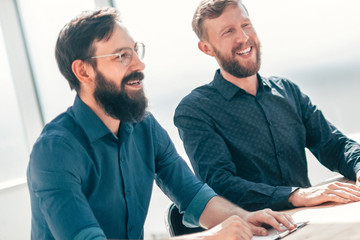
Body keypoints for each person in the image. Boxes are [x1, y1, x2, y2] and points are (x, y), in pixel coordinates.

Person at [26, 7, 296, 240]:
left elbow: (194, 197)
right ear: (83, 71)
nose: (140, 65)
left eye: (135, 51)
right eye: (122, 56)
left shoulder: (144, 126)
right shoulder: (54, 152)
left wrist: (246, 218)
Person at [174, 0, 360, 212]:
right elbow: (220, 185)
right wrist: (295, 195)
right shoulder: (196, 110)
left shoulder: (287, 91)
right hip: (255, 230)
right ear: (207, 48)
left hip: (309, 220)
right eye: (228, 32)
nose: (243, 38)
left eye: (246, 25)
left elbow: (333, 145)